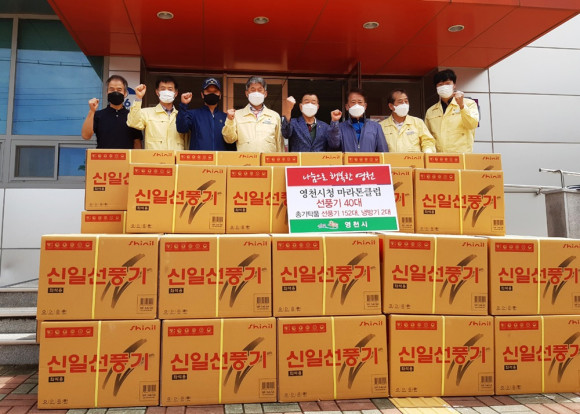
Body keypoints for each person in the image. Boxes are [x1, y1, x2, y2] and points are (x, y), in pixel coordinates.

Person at [222, 76, 283, 152]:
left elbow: (279, 144)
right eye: (253, 90)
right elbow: (229, 139)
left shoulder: (274, 116)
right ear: (247, 93)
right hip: (245, 159)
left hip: (268, 159)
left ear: (265, 93)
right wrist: (230, 120)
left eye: (260, 90)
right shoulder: (237, 115)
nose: (256, 93)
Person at [425, 69, 479, 153]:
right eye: (440, 84)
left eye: (447, 83)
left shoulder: (469, 104)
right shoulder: (431, 111)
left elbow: (472, 124)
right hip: (439, 158)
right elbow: (427, 137)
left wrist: (462, 106)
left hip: (462, 157)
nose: (444, 87)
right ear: (436, 87)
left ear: (454, 85)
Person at [127, 76, 188, 150]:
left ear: (176, 93)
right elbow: (133, 123)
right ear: (157, 92)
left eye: (170, 89)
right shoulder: (147, 113)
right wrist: (138, 98)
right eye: (163, 89)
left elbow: (187, 143)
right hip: (154, 157)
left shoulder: (181, 115)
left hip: (176, 157)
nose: (166, 92)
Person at [81, 75, 142, 149]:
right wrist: (92, 111)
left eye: (119, 90)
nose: (115, 92)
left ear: (125, 93)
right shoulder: (98, 115)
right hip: (103, 156)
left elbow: (137, 142)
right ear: (107, 92)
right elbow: (86, 136)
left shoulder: (132, 116)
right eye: (112, 89)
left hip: (126, 156)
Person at [176, 77, 235, 151]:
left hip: (221, 158)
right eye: (208, 91)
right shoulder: (193, 114)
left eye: (215, 91)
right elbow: (182, 129)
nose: (212, 94)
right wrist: (183, 105)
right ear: (202, 94)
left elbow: (231, 142)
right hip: (200, 158)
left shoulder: (226, 117)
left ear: (220, 95)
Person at [328, 88, 388, 152]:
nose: (356, 105)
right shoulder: (340, 127)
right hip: (348, 159)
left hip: (369, 159)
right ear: (347, 107)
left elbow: (383, 152)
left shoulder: (375, 127)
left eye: (360, 102)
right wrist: (334, 122)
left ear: (365, 106)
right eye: (353, 102)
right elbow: (333, 145)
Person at [379, 89, 436, 153]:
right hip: (391, 159)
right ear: (391, 106)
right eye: (400, 102)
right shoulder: (381, 126)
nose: (404, 104)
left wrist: (428, 151)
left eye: (406, 101)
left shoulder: (418, 122)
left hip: (413, 159)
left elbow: (428, 141)